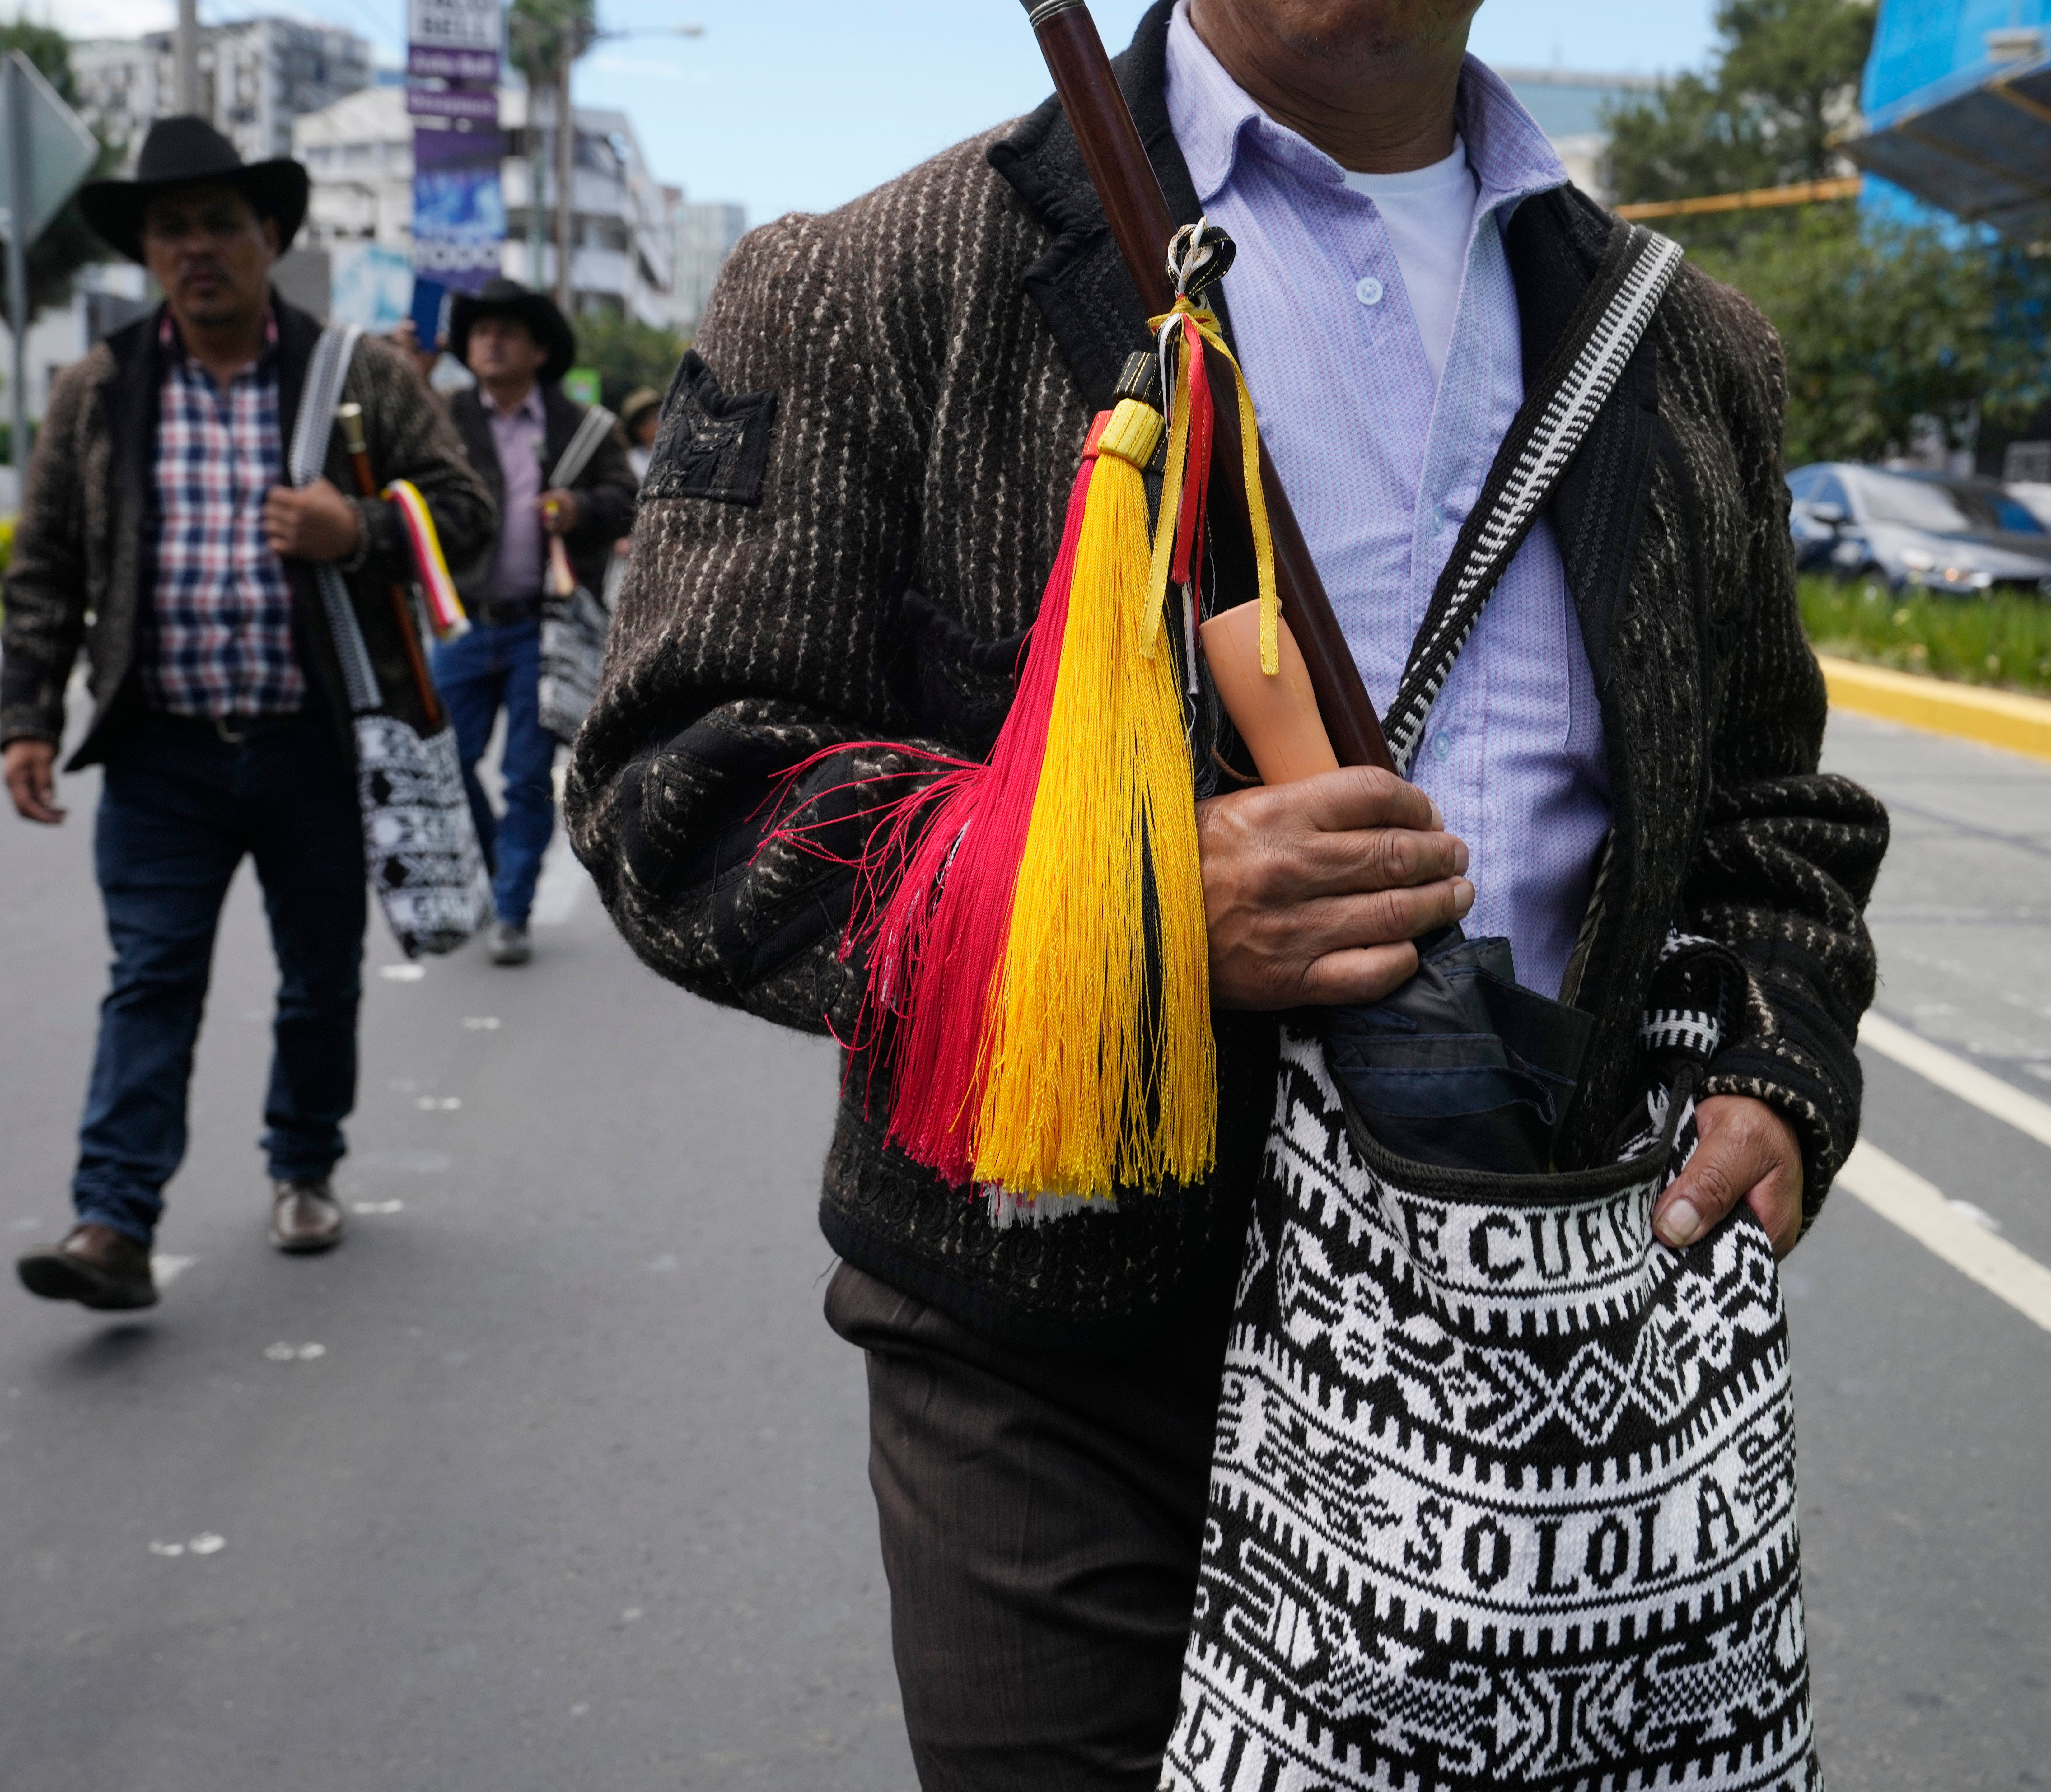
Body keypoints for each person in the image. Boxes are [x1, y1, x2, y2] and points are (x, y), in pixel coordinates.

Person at [566, 1, 1889, 1785]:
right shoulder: (872, 280)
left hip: (1534, 1348)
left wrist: (1772, 1067)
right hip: (1059, 1352)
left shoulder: (1687, 345)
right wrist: (1116, 894)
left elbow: (1767, 807)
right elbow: (680, 784)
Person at [0, 117, 495, 1311]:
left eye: (221, 223)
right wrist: (25, 713)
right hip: (162, 750)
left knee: (318, 978)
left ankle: (304, 1164)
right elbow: (46, 565)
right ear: (149, 253)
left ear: (268, 234)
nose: (198, 248)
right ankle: (112, 1220)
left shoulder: (356, 375)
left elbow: (467, 514)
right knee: (151, 977)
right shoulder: (98, 389)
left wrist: (359, 531)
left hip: (315, 746)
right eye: (173, 229)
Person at [436, 278, 637, 967]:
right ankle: (498, 872)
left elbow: (629, 499)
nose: (490, 341)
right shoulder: (441, 418)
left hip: (542, 632)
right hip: (458, 626)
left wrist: (579, 508)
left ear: (539, 349)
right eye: (481, 331)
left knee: (527, 775)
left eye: (507, 332)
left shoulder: (584, 427)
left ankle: (513, 908)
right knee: (447, 763)